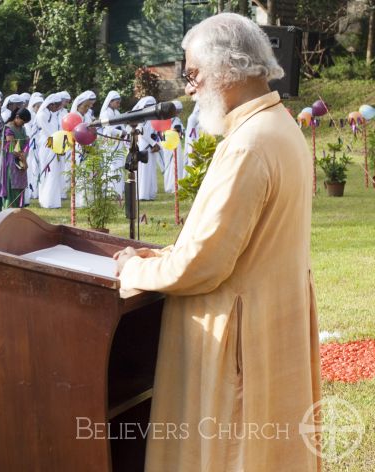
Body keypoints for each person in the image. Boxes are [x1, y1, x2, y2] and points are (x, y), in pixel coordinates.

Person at [114, 13, 320, 472]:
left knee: (231, 454)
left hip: (239, 336)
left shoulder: (249, 144)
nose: (188, 88)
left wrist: (134, 268)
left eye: (192, 74)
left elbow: (205, 262)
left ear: (228, 68)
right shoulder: (279, 126)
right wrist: (163, 255)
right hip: (271, 323)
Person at [128, 96, 161, 201]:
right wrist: (153, 143)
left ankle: (150, 193)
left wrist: (157, 144)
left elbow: (156, 132)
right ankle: (142, 194)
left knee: (151, 171)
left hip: (152, 147)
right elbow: (143, 132)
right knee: (144, 171)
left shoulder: (152, 118)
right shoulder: (141, 119)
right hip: (144, 147)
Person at [0, 108, 30, 208]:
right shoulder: (8, 128)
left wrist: (24, 157)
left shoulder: (22, 129)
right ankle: (9, 212)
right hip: (11, 162)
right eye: (23, 122)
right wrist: (23, 160)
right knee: (12, 187)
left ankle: (19, 212)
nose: (23, 124)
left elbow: (25, 143)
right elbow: (12, 148)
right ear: (17, 117)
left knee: (20, 187)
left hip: (22, 160)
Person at [36, 93, 64, 208]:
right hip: (47, 146)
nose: (58, 108)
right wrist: (60, 144)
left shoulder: (54, 115)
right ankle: (47, 201)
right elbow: (51, 133)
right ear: (51, 104)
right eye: (57, 105)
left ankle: (53, 201)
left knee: (54, 173)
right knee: (48, 173)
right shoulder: (42, 114)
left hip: (56, 144)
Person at [98, 91, 127, 198]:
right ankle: (110, 193)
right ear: (110, 102)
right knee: (111, 166)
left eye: (119, 102)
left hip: (118, 143)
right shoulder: (105, 113)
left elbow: (122, 125)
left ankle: (118, 192)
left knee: (119, 166)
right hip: (109, 142)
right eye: (117, 102)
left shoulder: (118, 113)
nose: (118, 104)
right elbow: (108, 128)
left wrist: (124, 132)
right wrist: (120, 132)